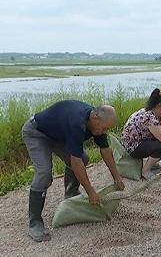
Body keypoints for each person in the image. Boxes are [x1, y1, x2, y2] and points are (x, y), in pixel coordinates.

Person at [22, 100, 125, 242]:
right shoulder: (77, 123)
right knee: (44, 173)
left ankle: (70, 192)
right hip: (36, 132)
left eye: (106, 129)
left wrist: (117, 177)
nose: (104, 132)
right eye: (104, 128)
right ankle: (35, 222)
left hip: (58, 135)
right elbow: (76, 164)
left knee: (84, 158)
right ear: (95, 117)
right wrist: (91, 192)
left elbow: (105, 150)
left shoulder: (97, 122)